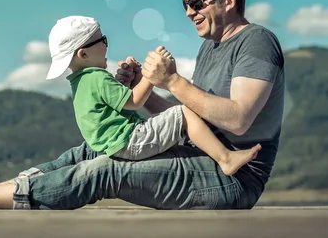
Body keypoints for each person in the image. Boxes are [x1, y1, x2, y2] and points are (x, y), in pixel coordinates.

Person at [0, 0, 285, 210]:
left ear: (229, 0)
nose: (188, 12)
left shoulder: (256, 41)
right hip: (197, 155)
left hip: (231, 178)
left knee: (105, 170)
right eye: (185, 4)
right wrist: (147, 86)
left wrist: (172, 79)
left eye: (197, 3)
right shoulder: (212, 49)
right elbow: (191, 115)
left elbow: (237, 120)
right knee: (88, 151)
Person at [44, 15, 261, 175]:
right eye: (103, 41)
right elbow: (135, 102)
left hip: (115, 146)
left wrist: (127, 82)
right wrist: (150, 75)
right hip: (129, 141)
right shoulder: (97, 77)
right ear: (84, 53)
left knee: (173, 120)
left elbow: (117, 105)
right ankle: (226, 158)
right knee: (183, 113)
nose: (106, 47)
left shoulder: (80, 83)